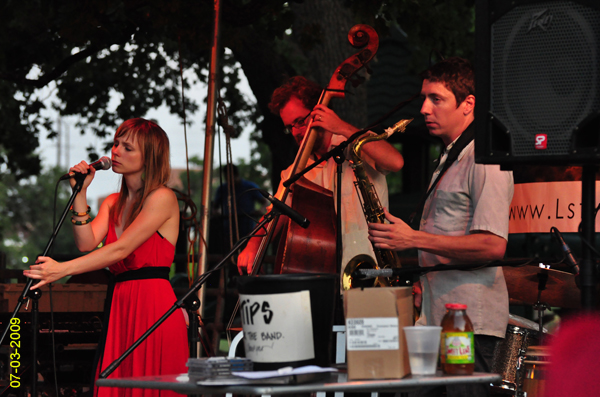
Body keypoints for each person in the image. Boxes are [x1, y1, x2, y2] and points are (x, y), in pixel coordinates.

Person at [368, 58, 514, 397]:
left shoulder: (485, 158)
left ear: (469, 104)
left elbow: (493, 245)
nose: (424, 108)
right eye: (424, 98)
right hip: (438, 317)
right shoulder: (451, 156)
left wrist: (412, 238)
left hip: (468, 323)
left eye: (436, 99)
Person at [24, 118, 188, 397]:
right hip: (121, 302)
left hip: (153, 304)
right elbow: (86, 243)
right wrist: (82, 192)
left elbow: (120, 249)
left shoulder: (162, 197)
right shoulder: (113, 202)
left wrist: (60, 270)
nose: (116, 152)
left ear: (149, 157)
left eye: (128, 148)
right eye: (116, 144)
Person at [237, 76, 404, 283]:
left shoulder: (357, 144)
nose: (297, 132)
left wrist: (342, 127)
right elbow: (276, 213)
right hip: (326, 276)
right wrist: (253, 245)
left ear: (320, 113)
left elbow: (396, 162)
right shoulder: (294, 172)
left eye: (300, 121)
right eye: (290, 127)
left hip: (373, 269)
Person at [212, 163, 268, 251]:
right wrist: (216, 212)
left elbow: (265, 202)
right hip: (228, 231)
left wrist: (260, 210)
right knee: (230, 254)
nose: (229, 181)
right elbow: (215, 206)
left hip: (248, 229)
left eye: (230, 177)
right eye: (226, 178)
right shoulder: (223, 189)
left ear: (236, 175)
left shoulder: (249, 186)